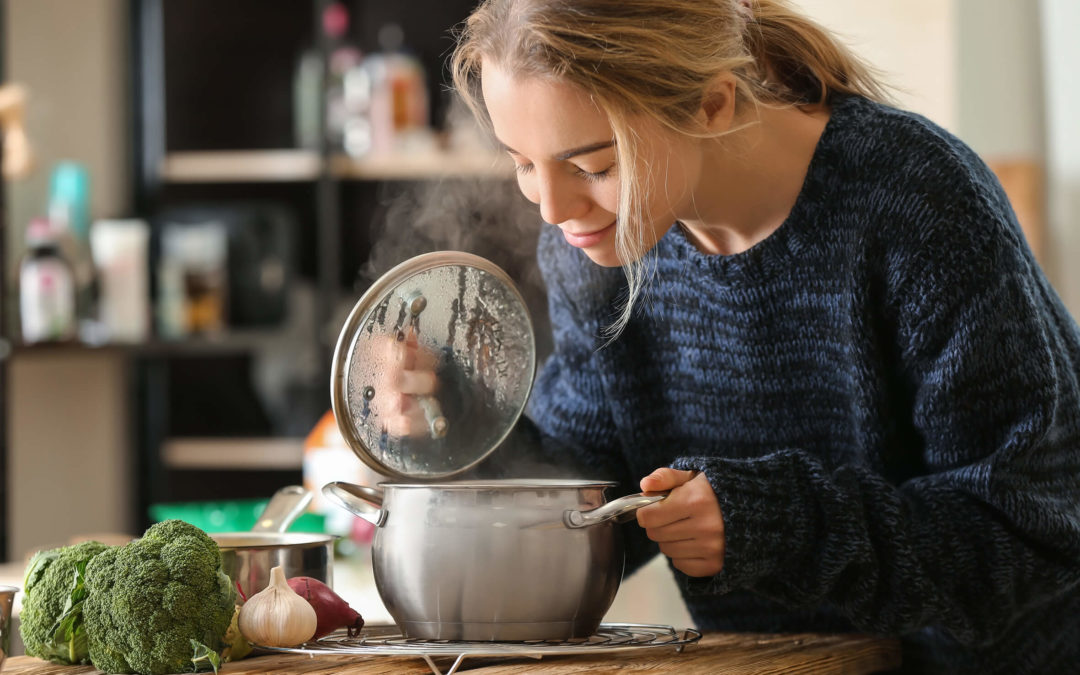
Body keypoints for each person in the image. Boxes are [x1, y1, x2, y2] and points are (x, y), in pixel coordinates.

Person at [395, 0, 1080, 671]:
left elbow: (1029, 538)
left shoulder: (916, 203)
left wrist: (780, 526)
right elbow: (596, 507)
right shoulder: (590, 251)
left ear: (712, 104)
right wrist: (455, 419)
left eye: (594, 166)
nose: (552, 208)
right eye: (521, 162)